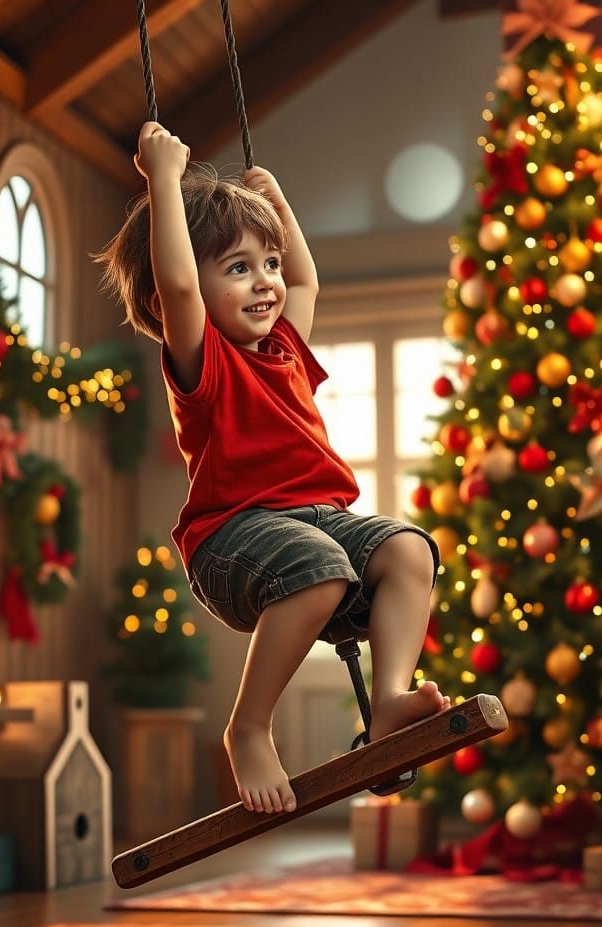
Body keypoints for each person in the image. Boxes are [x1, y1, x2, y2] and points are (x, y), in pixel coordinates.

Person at [95, 121, 447, 815]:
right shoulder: (202, 360)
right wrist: (163, 179)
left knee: (410, 549)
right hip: (233, 536)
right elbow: (178, 285)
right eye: (238, 269)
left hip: (319, 524)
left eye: (269, 263)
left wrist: (279, 207)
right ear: (176, 302)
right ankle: (250, 728)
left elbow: (306, 280)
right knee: (318, 567)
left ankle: (388, 703)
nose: (265, 283)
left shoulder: (285, 348)